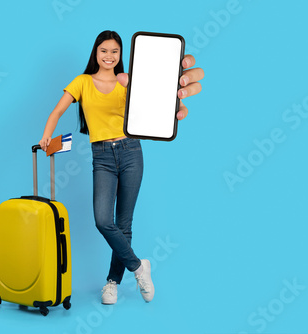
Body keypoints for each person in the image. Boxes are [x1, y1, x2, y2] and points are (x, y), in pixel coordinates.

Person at [39, 30, 204, 304]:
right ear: (96, 53)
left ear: (120, 55)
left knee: (124, 224)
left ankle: (112, 283)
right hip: (102, 156)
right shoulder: (82, 82)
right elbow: (57, 111)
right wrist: (47, 135)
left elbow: (152, 104)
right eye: (104, 50)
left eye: (114, 51)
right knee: (103, 220)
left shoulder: (129, 82)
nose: (109, 56)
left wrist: (172, 95)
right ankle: (139, 266)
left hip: (131, 151)